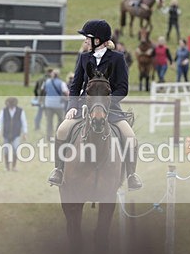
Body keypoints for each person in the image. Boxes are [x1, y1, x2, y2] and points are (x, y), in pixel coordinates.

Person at [47, 19, 142, 191]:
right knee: (62, 130)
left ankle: (131, 175)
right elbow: (75, 86)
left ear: (97, 40)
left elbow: (122, 88)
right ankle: (59, 170)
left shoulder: (118, 58)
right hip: (83, 107)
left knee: (130, 136)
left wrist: (104, 104)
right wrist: (72, 107)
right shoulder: (84, 57)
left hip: (110, 109)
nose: (84, 41)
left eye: (87, 38)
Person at [0, 97, 27, 171]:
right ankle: (7, 167)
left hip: (16, 134)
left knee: (15, 150)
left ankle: (14, 166)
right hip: (6, 134)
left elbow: (23, 122)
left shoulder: (20, 111)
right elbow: (0, 122)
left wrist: (25, 132)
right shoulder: (3, 111)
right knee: (6, 151)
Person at [42, 69, 69, 139]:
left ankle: (49, 136)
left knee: (49, 121)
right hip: (58, 104)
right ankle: (58, 134)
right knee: (61, 120)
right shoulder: (61, 83)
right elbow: (66, 93)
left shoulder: (46, 82)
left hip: (48, 103)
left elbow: (43, 90)